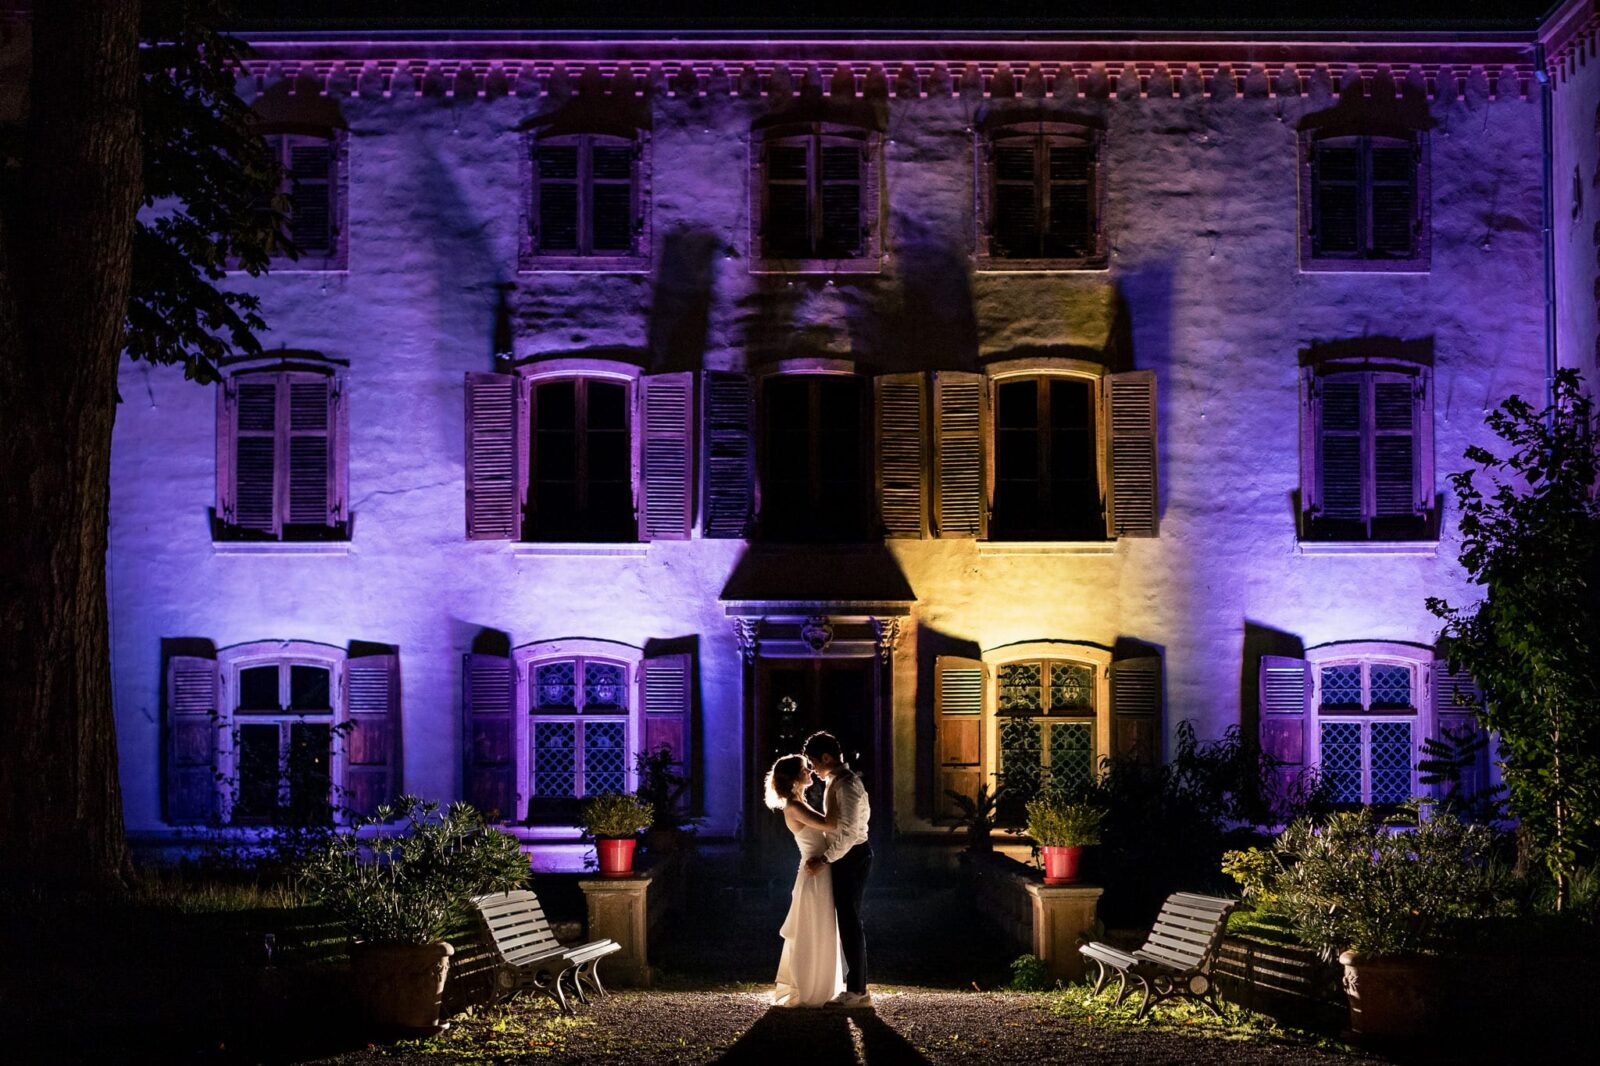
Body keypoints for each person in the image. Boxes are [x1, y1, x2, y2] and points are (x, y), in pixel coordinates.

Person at [764, 753, 844, 1007]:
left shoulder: (799, 803)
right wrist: (833, 788)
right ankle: (811, 988)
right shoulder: (794, 807)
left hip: (819, 870)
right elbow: (830, 824)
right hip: (814, 874)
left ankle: (820, 985)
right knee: (813, 929)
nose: (810, 771)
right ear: (795, 777)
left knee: (822, 928)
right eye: (804, 768)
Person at [801, 730, 873, 1008]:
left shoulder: (847, 784)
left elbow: (850, 832)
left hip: (852, 856)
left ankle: (857, 990)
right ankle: (856, 987)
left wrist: (825, 859)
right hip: (847, 856)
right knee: (847, 920)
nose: (811, 768)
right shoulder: (839, 781)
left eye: (813, 761)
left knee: (850, 920)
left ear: (827, 757)